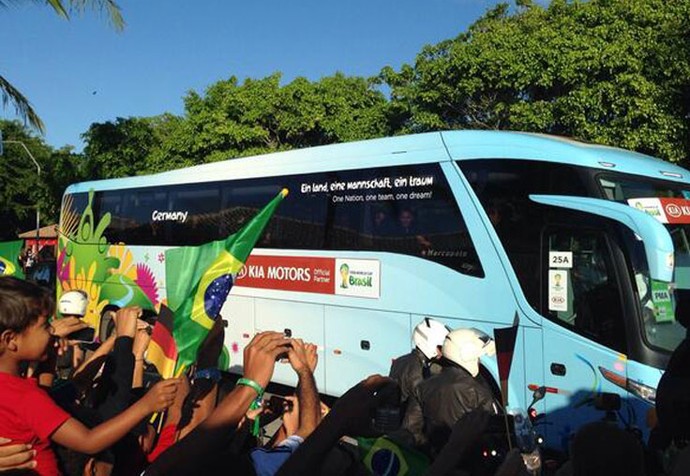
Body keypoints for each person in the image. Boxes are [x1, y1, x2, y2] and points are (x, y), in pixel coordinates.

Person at [0, 276, 179, 476]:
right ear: (10, 340)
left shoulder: (11, 390)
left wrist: (49, 356)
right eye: (45, 326)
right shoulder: (24, 395)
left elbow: (44, 395)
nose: (53, 330)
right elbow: (89, 441)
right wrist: (146, 404)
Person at [398, 327, 498, 456]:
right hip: (469, 461)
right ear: (466, 355)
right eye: (477, 358)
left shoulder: (423, 387)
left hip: (434, 460)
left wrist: (431, 449)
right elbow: (490, 432)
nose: (478, 361)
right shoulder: (479, 391)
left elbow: (411, 429)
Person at [389, 318, 450, 410]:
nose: (442, 352)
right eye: (440, 347)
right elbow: (421, 403)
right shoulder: (419, 370)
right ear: (428, 344)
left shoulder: (402, 360)